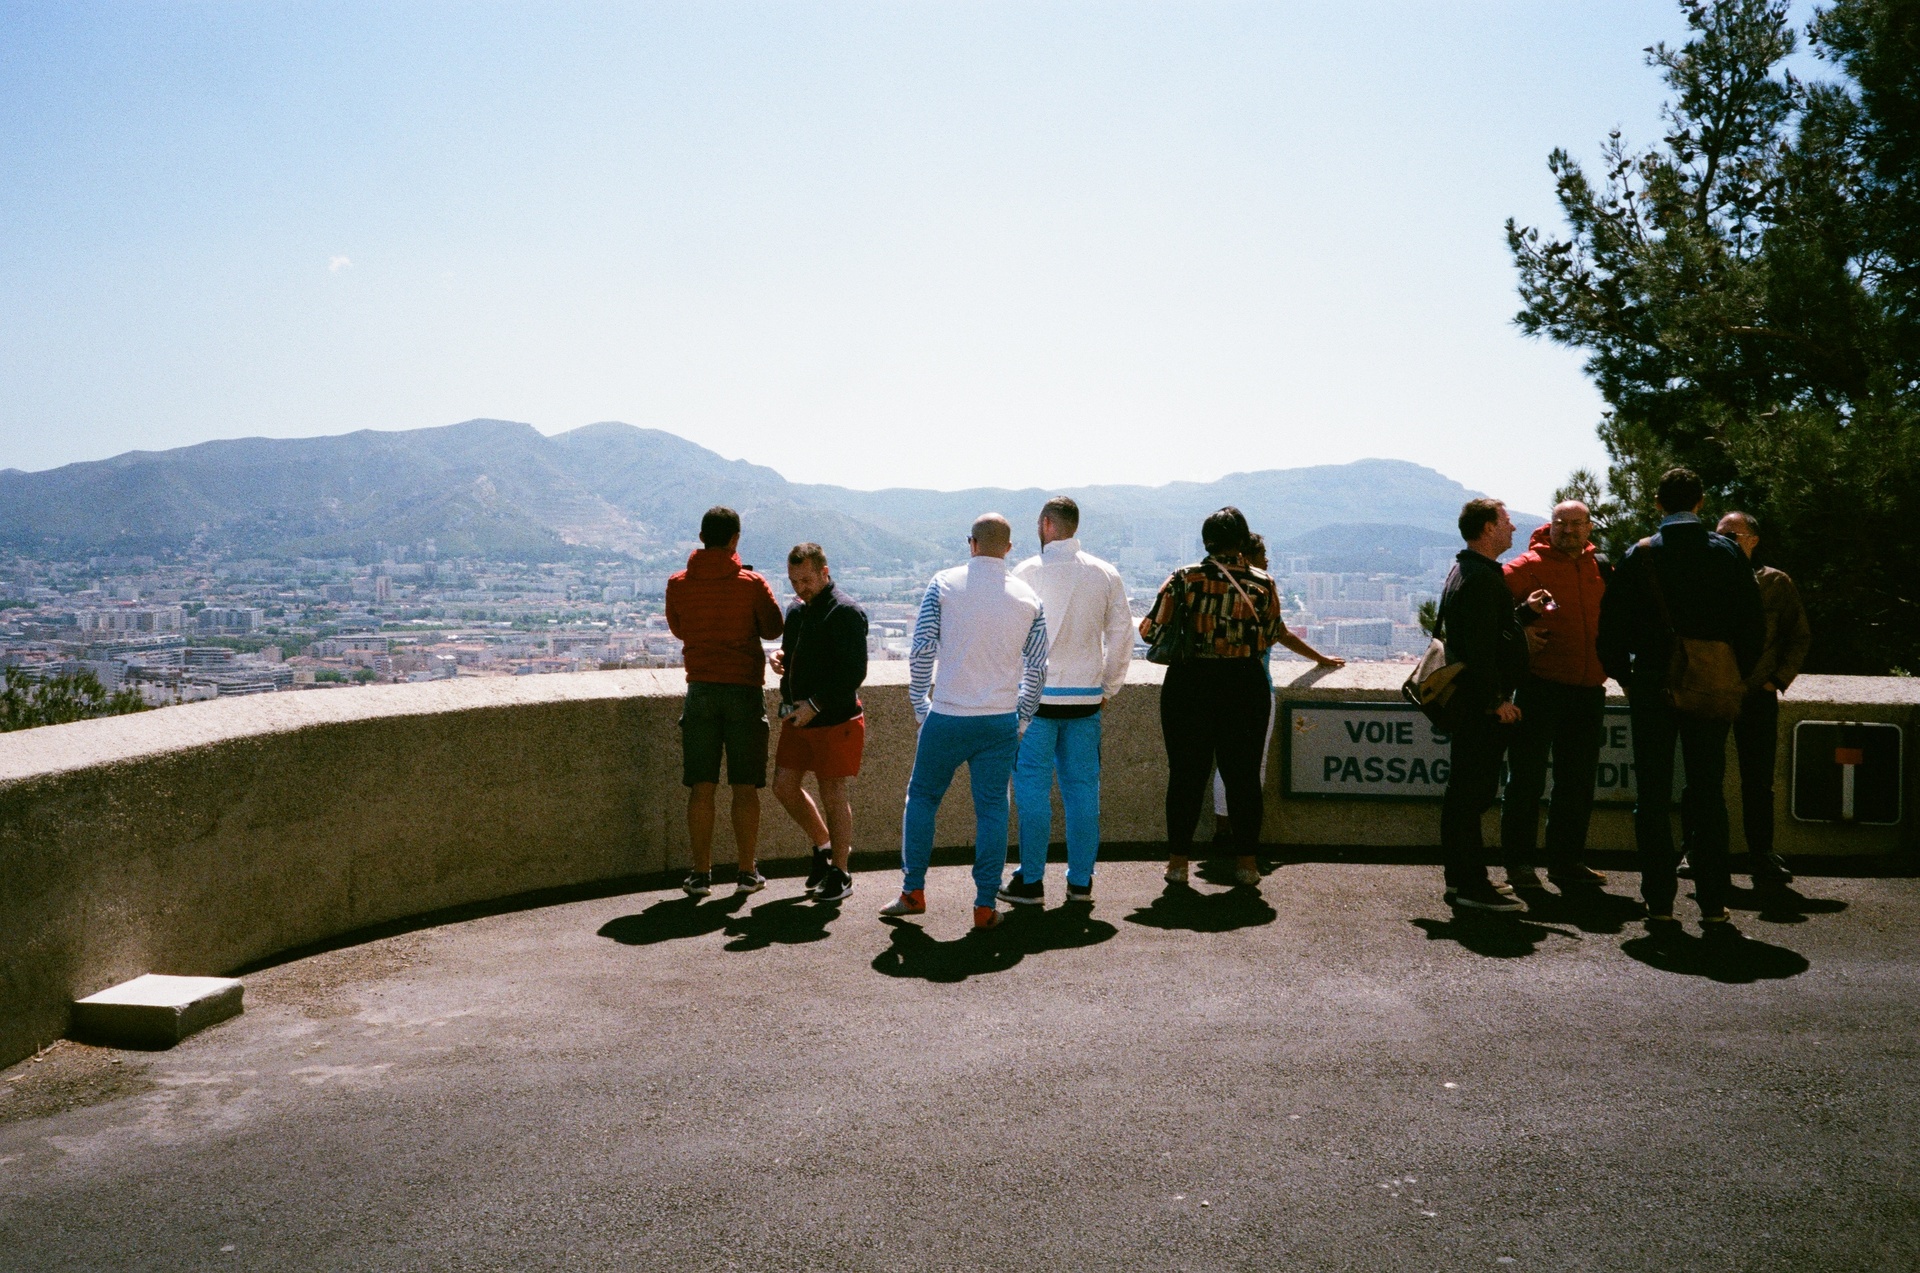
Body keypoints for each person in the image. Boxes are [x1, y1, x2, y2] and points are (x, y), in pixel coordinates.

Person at [1597, 469, 1765, 934]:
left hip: (1652, 684)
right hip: (1711, 684)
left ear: (1656, 504)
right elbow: (1753, 625)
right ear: (1700, 502)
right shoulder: (1727, 552)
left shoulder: (1641, 554)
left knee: (1651, 796)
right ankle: (1712, 902)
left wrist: (1626, 676)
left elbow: (1610, 629)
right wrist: (1733, 673)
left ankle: (1659, 905)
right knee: (1708, 792)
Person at [880, 514, 1049, 931]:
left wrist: (921, 704)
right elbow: (1039, 669)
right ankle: (984, 905)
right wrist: (1023, 716)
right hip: (998, 721)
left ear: (970, 543)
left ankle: (913, 892)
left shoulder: (943, 584)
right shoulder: (1029, 597)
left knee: (921, 799)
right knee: (992, 809)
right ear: (1008, 549)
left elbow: (921, 649)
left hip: (948, 715)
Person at [1140, 507, 1320, 888]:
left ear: (1206, 541)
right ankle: (1247, 864)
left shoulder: (1183, 579)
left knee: (1187, 775)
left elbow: (1150, 630)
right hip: (1244, 684)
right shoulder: (1262, 583)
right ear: (1242, 541)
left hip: (1190, 684)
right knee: (1242, 778)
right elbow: (1272, 633)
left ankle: (1177, 864)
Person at [998, 496, 1133, 909]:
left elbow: (1009, 640)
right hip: (1086, 702)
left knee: (1033, 792)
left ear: (1045, 524)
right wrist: (1107, 688)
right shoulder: (1105, 573)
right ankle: (1080, 881)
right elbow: (1123, 638)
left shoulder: (1025, 573)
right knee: (1082, 792)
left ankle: (1031, 880)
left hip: (1037, 702)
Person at [664, 506, 786, 898]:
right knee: (744, 786)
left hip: (700, 689)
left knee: (701, 786)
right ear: (735, 539)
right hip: (743, 691)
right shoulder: (751, 583)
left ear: (701, 537)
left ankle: (701, 874)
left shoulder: (678, 584)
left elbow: (679, 629)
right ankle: (747, 871)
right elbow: (773, 628)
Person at [1438, 498, 1551, 912]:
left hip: (1467, 702)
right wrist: (1495, 701)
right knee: (1471, 796)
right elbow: (1481, 648)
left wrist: (1523, 612)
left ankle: (1461, 879)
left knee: (1463, 794)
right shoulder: (1484, 578)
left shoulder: (1465, 570)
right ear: (1487, 528)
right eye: (1505, 522)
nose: (1512, 529)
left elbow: (1484, 630)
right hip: (1478, 705)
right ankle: (1471, 885)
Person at [1498, 502, 1611, 892]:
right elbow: (1487, 611)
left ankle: (1567, 862)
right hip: (1540, 686)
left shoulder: (1600, 567)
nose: (1568, 531)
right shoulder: (1526, 566)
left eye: (1577, 524)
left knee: (1576, 781)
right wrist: (1520, 629)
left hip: (1588, 689)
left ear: (1589, 527)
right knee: (1526, 780)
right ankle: (1519, 865)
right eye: (1561, 524)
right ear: (1551, 525)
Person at [1210, 532, 1342, 844]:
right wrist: (1320, 658)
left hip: (1221, 687)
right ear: (1247, 557)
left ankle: (1222, 830)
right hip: (1257, 686)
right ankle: (1246, 834)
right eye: (1263, 554)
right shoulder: (1260, 589)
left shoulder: (1218, 589)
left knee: (1224, 764)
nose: (1268, 560)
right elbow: (1281, 633)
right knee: (1256, 763)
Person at [769, 542, 869, 904]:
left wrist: (815, 703)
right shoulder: (798, 611)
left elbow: (854, 671)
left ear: (825, 572)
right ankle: (824, 846)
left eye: (807, 580)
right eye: (795, 581)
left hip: (835, 718)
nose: (800, 588)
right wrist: (782, 659)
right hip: (798, 715)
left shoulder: (845, 612)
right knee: (783, 785)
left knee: (833, 792)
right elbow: (796, 651)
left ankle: (841, 872)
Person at [1717, 511, 1812, 888]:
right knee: (1703, 779)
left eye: (1733, 535)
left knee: (1758, 780)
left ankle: (1761, 853)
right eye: (1720, 534)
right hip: (1713, 692)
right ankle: (1699, 849)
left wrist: (1777, 680)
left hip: (1758, 694)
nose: (1725, 541)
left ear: (1753, 539)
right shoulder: (1708, 580)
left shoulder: (1775, 582)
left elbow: (1799, 636)